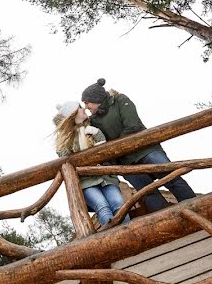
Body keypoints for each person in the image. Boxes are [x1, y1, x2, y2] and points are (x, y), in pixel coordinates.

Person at [81, 78, 196, 212]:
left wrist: (116, 148)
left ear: (95, 98)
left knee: (172, 178)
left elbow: (132, 125)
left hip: (146, 150)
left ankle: (196, 207)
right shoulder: (93, 121)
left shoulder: (120, 100)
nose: (86, 107)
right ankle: (167, 220)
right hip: (126, 162)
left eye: (86, 102)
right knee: (147, 192)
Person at [53, 100, 130, 227]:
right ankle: (114, 240)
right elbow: (64, 157)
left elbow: (105, 151)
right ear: (73, 115)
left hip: (105, 177)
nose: (84, 109)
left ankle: (130, 235)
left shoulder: (92, 129)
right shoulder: (63, 140)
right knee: (102, 206)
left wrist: (97, 134)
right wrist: (73, 135)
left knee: (118, 204)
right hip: (87, 182)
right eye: (80, 108)